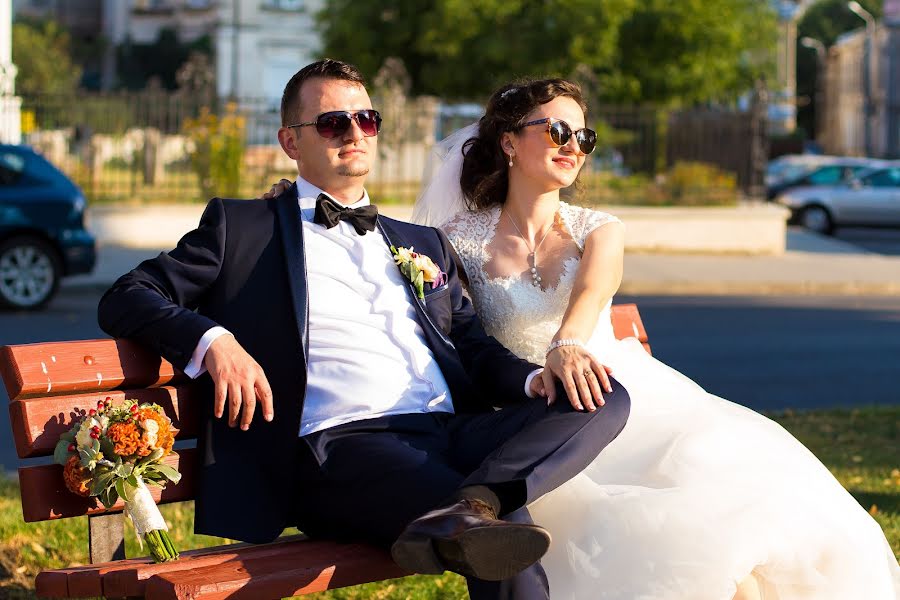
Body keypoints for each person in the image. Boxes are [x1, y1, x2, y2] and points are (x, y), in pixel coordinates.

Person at [265, 78, 900, 599]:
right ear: (510, 142)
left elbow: (593, 297)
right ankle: (482, 506)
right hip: (526, 405)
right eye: (558, 131)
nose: (574, 146)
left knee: (718, 483)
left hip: (607, 385)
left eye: (584, 136)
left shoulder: (601, 227)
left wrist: (567, 345)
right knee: (627, 521)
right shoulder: (448, 240)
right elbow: (427, 318)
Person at [96, 60, 631, 600]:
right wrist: (215, 342)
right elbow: (128, 296)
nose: (354, 133)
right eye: (332, 123)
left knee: (604, 400)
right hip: (344, 445)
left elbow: (471, 347)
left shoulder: (421, 242)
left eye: (366, 120)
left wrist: (531, 382)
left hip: (449, 433)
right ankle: (473, 508)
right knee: (499, 533)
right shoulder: (243, 228)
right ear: (290, 141)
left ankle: (474, 501)